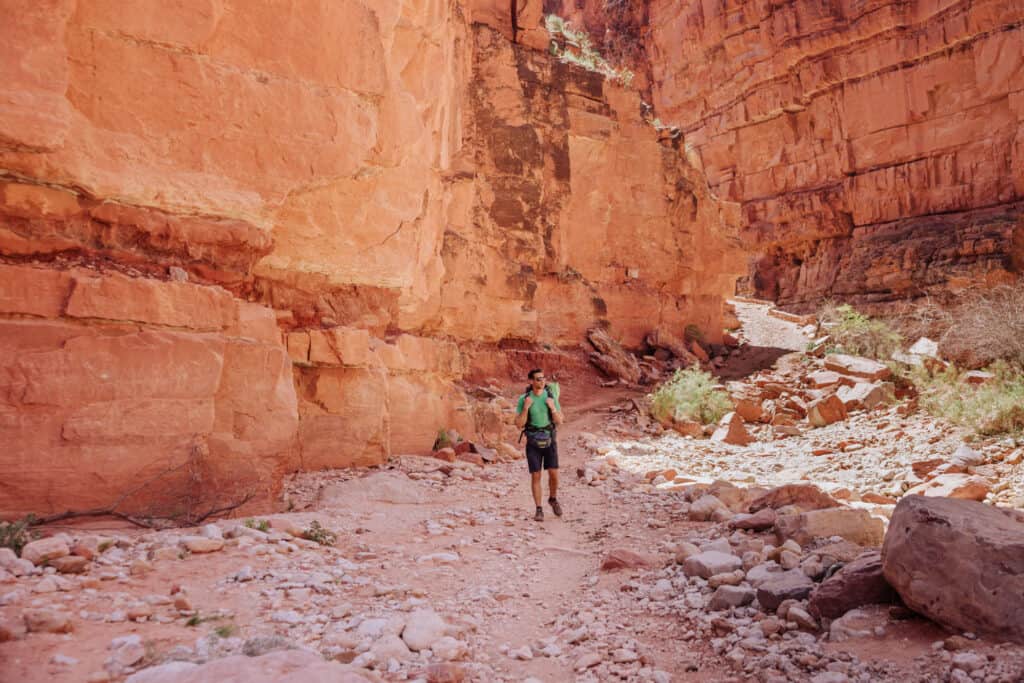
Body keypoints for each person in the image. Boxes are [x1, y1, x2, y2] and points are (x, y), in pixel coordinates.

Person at [515, 368, 564, 521]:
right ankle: (539, 509)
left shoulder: (550, 396)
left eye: (543, 378)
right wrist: (525, 408)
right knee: (536, 475)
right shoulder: (524, 399)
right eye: (538, 379)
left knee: (554, 474)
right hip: (533, 442)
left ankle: (553, 499)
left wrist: (553, 408)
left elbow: (560, 420)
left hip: (550, 439)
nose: (542, 381)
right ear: (531, 381)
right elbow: (518, 424)